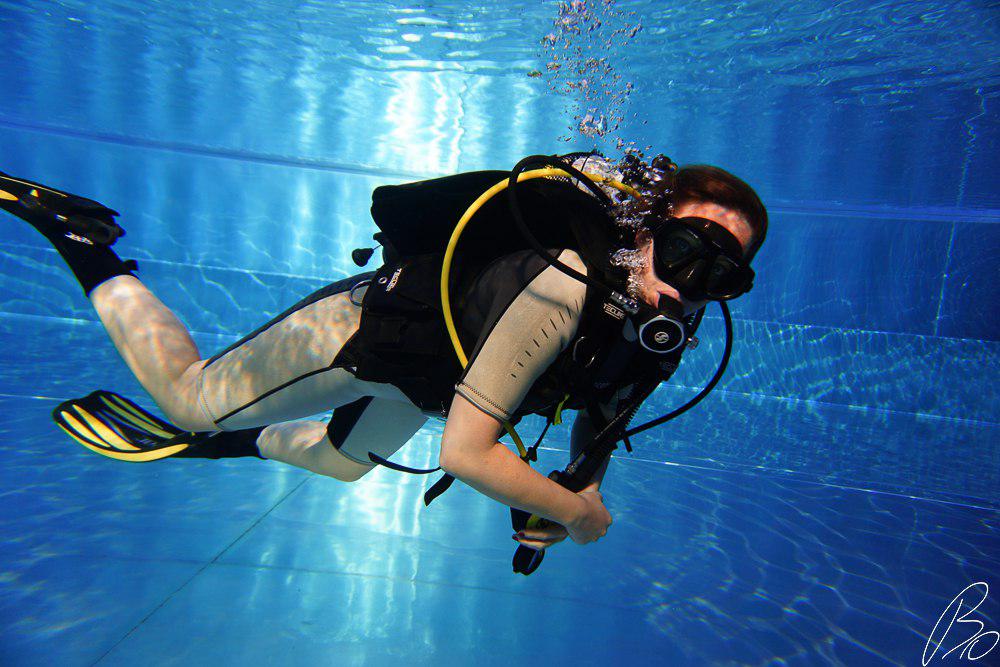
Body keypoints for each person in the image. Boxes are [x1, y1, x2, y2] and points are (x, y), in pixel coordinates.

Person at [0, 152, 766, 557]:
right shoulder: (565, 285)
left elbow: (602, 413)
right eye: (684, 251)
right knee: (187, 396)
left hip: (426, 384)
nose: (689, 287)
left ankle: (219, 444)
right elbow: (466, 454)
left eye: (722, 275)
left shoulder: (667, 329)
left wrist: (573, 488)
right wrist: (574, 512)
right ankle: (82, 242)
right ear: (643, 229)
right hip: (369, 338)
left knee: (342, 464)